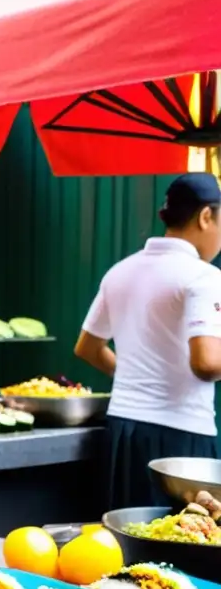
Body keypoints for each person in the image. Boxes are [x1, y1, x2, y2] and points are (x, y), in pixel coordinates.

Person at [75, 173, 221, 509]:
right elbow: (206, 364)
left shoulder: (121, 271)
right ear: (205, 216)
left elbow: (88, 347)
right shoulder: (204, 276)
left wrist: (135, 377)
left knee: (128, 543)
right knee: (183, 546)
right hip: (182, 438)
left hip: (124, 433)